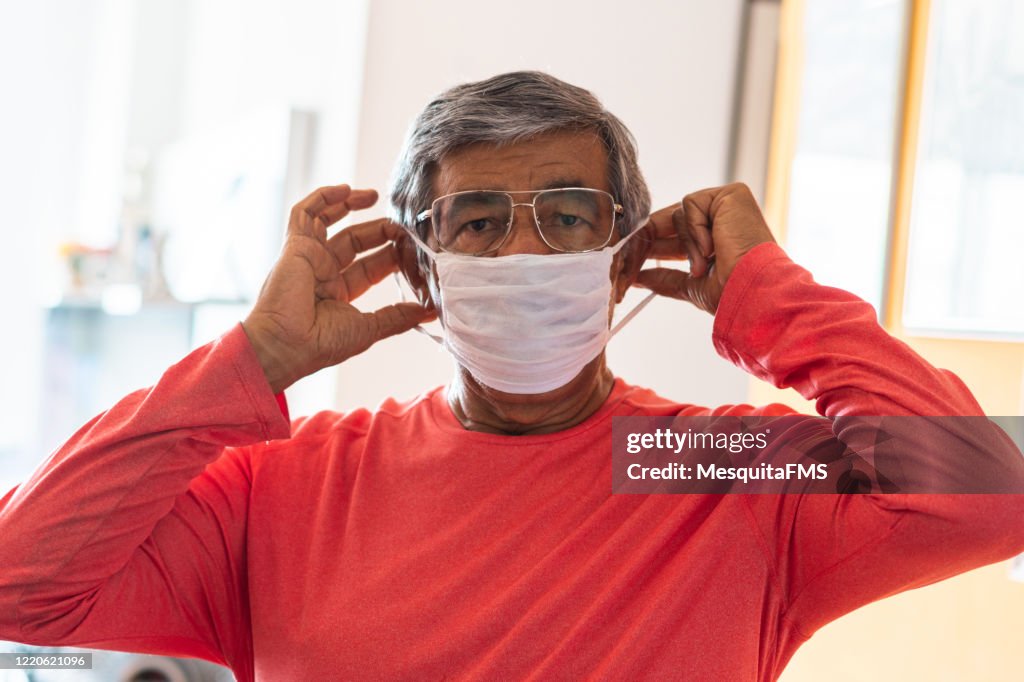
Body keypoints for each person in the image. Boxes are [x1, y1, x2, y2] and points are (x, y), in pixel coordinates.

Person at [1, 71, 1022, 681]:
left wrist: (765, 295)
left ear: (624, 255)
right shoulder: (290, 486)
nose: (524, 254)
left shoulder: (708, 463)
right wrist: (249, 364)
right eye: (477, 220)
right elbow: (20, 581)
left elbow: (983, 498)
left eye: (569, 215)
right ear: (417, 265)